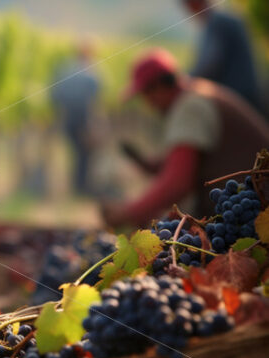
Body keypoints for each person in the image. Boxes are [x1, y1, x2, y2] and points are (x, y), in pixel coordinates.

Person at [101, 48, 269, 227]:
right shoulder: (199, 91)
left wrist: (127, 213)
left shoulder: (190, 107)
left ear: (159, 86)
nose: (147, 103)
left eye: (146, 95)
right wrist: (149, 164)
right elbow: (187, 161)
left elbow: (178, 182)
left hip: (253, 217)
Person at [182, 0, 265, 116]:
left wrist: (185, 82)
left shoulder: (217, 22)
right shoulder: (220, 21)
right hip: (245, 96)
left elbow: (211, 64)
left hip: (241, 98)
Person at [50, 41, 99, 195]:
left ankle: (77, 186)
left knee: (77, 152)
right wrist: (92, 124)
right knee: (84, 153)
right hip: (83, 118)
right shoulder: (91, 73)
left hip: (67, 117)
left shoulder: (65, 70)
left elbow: (55, 95)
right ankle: (80, 187)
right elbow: (93, 101)